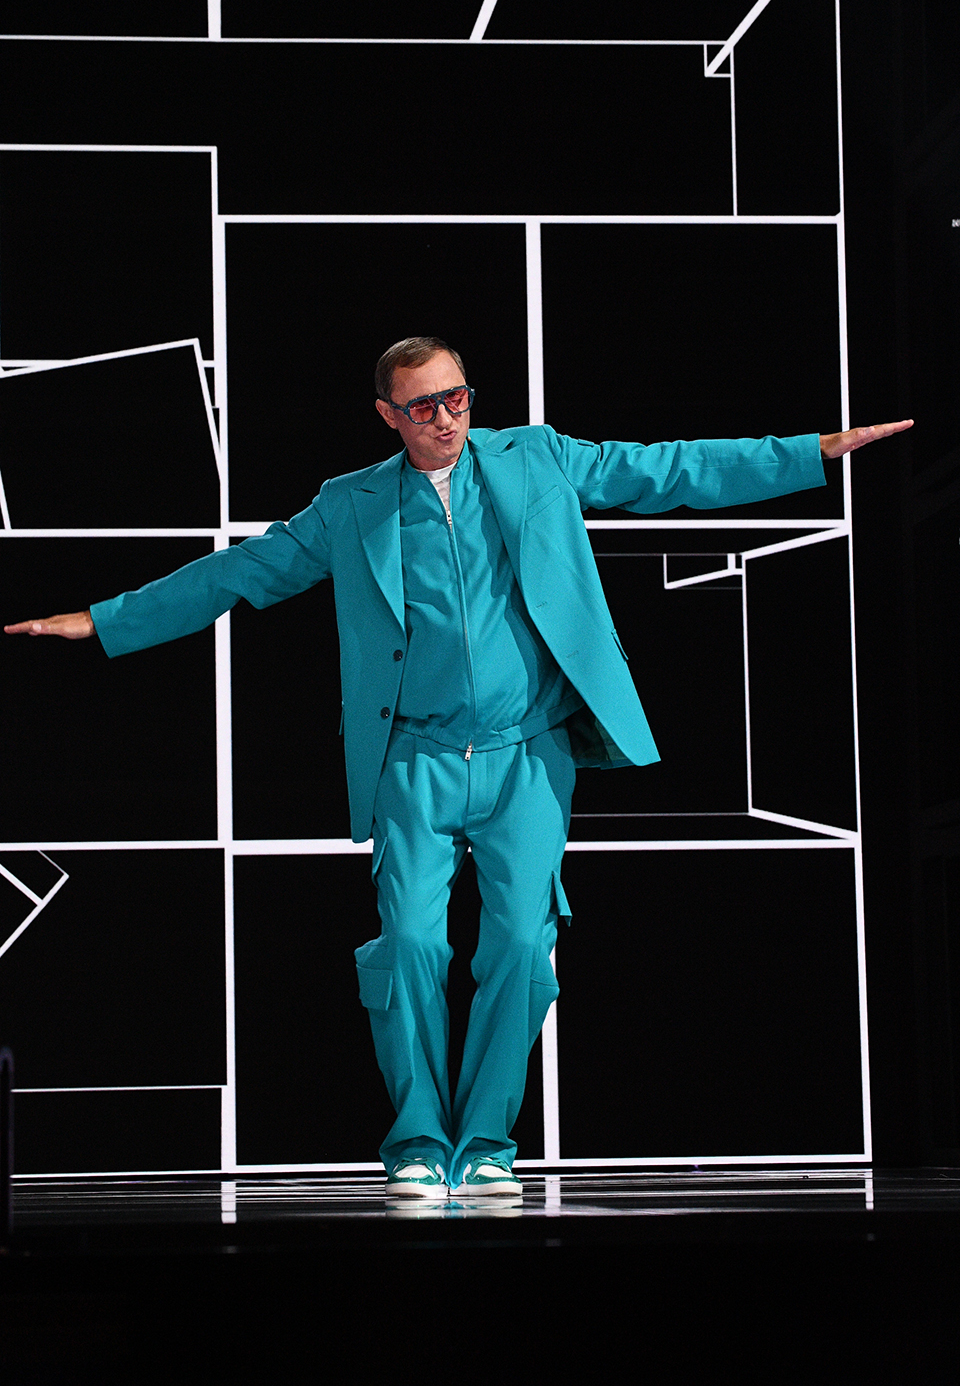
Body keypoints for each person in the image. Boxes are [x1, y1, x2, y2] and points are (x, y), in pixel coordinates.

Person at [5, 336, 912, 1200]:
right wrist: (104, 620)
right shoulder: (351, 504)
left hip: (527, 753)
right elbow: (241, 572)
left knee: (519, 946)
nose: (445, 418)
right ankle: (415, 1143)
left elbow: (667, 469)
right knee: (409, 945)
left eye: (457, 398)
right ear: (387, 414)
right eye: (423, 406)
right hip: (415, 759)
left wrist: (811, 452)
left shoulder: (537, 459)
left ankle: (484, 1147)